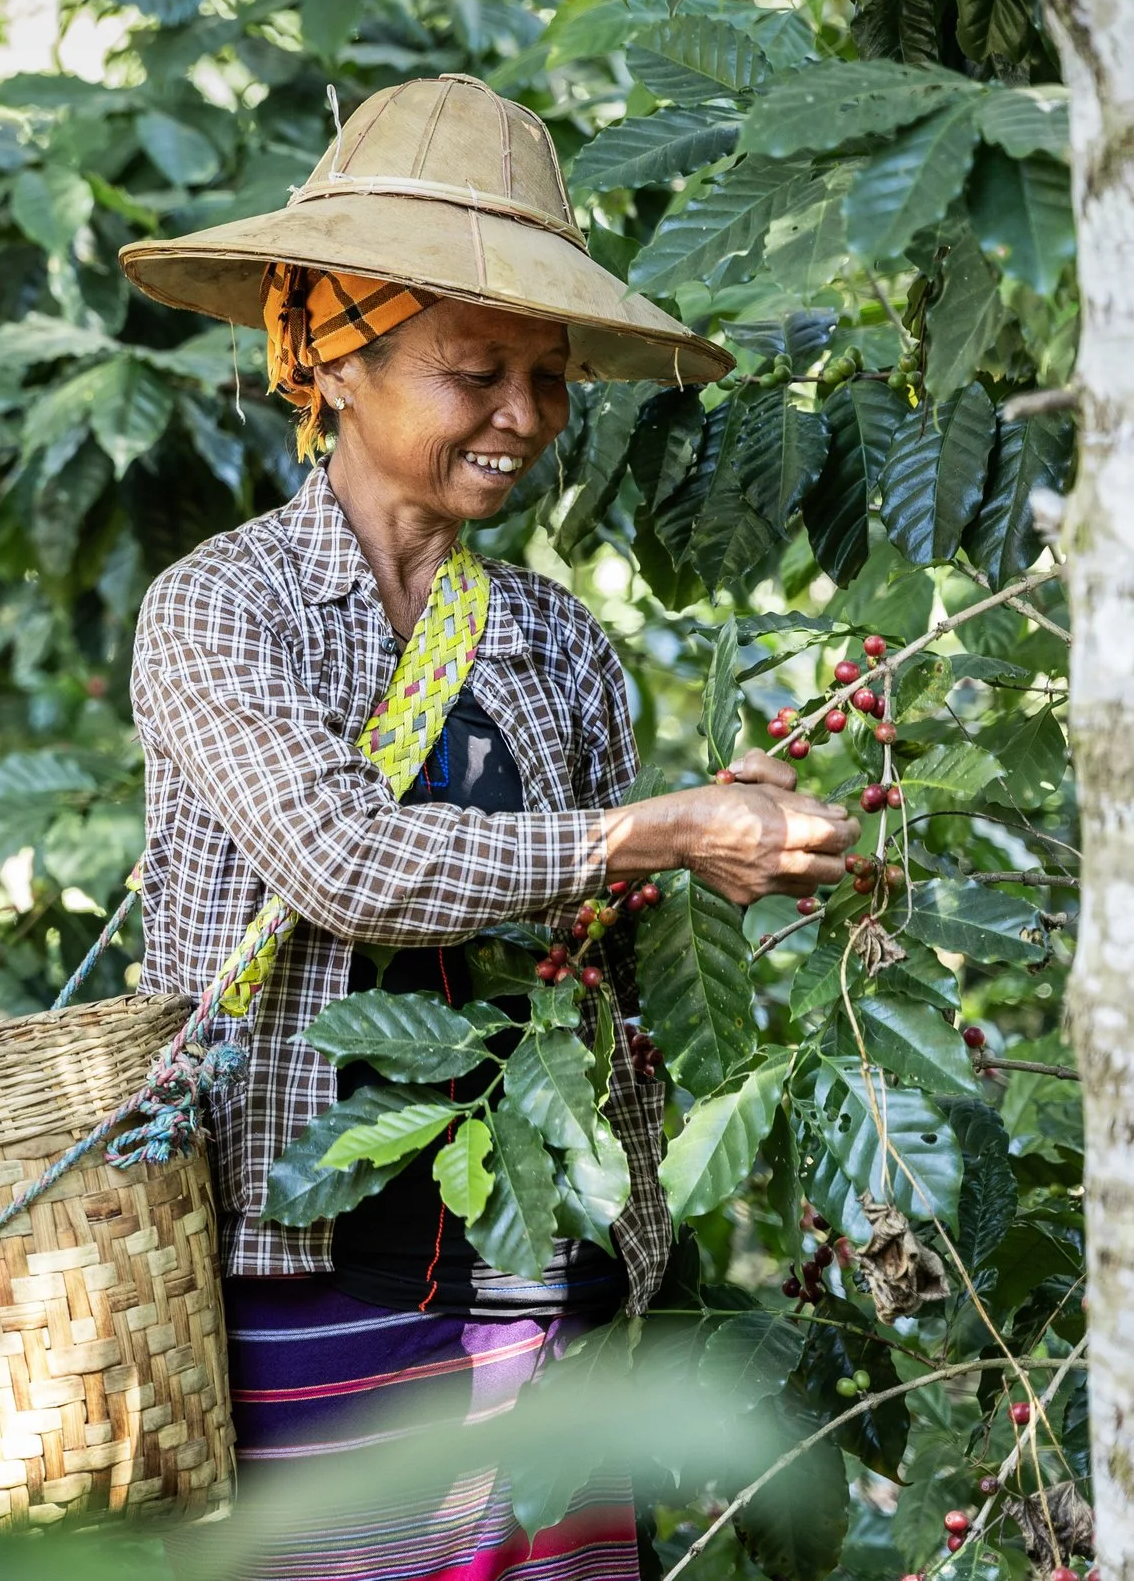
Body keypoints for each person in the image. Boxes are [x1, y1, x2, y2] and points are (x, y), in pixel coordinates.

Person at [116, 76, 859, 1578]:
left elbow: (592, 951)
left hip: (541, 1274)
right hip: (303, 1273)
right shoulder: (219, 608)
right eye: (476, 370)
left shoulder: (553, 640)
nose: (526, 415)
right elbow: (351, 865)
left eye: (550, 374)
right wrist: (654, 829)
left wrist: (746, 848)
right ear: (327, 358)